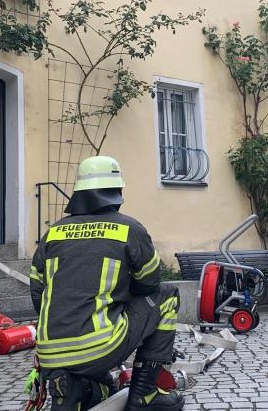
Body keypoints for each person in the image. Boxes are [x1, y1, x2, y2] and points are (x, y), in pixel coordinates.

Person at [30, 156, 183, 411]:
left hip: (49, 351)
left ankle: (81, 388)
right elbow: (150, 283)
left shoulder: (53, 233)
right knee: (167, 295)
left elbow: (37, 293)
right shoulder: (129, 229)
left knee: (88, 367)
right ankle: (146, 393)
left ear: (77, 192)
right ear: (117, 190)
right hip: (101, 345)